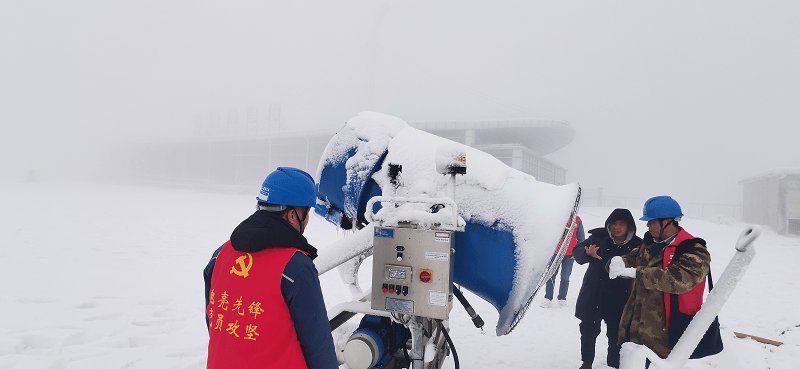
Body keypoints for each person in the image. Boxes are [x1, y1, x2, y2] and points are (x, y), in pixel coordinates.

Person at [203, 167, 338, 369]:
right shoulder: (295, 267)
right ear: (293, 215)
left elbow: (214, 320)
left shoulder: (220, 255)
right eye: (307, 212)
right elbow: (318, 345)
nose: (307, 220)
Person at [608, 196, 711, 361]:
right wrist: (619, 261)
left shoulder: (694, 250)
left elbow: (679, 280)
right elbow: (632, 259)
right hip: (633, 332)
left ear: (668, 222)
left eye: (652, 221)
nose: (648, 225)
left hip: (663, 339)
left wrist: (638, 273)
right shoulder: (650, 244)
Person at [572, 209, 642, 369]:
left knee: (617, 335)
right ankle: (586, 363)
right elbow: (577, 253)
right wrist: (585, 253)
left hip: (621, 298)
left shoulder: (638, 245)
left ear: (629, 226)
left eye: (622, 224)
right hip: (594, 294)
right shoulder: (598, 238)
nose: (617, 228)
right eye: (614, 224)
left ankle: (613, 365)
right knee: (588, 331)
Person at [541, 216, 585, 308]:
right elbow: (547, 234)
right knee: (551, 276)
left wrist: (577, 252)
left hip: (569, 255)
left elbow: (581, 238)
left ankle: (562, 298)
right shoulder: (557, 216)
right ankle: (548, 298)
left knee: (565, 277)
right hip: (555, 253)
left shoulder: (577, 220)